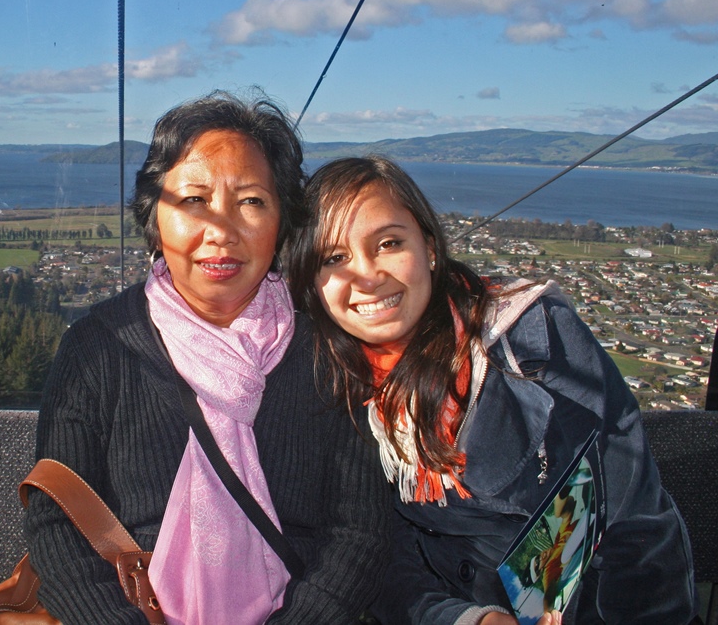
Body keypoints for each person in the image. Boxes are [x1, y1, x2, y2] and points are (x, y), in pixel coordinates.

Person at [23, 93, 392, 624]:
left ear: (283, 222)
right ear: (155, 220)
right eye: (194, 200)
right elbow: (57, 520)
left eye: (251, 202)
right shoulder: (98, 346)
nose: (221, 230)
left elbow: (359, 533)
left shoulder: (327, 351)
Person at [286, 155, 697, 625]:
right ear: (312, 284)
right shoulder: (338, 391)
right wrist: (467, 618)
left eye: (388, 243)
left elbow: (633, 514)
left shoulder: (530, 339)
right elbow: (384, 559)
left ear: (429, 246)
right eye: (334, 258)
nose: (367, 275)